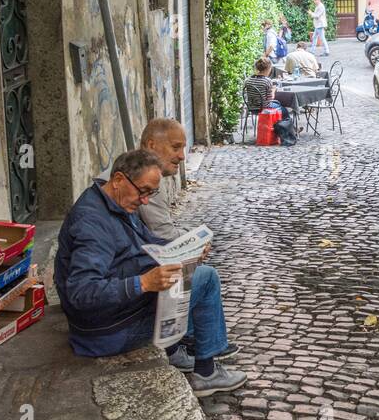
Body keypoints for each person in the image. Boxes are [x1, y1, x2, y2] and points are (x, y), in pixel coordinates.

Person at [54, 149, 246, 396]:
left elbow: (147, 243)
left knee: (191, 272)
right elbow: (81, 291)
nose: (145, 200)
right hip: (104, 333)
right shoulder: (93, 223)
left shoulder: (112, 201)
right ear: (119, 179)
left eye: (150, 194)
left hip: (113, 316)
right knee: (206, 279)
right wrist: (143, 283)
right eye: (142, 191)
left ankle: (181, 347)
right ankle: (206, 372)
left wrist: (187, 250)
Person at [96, 118, 189, 242]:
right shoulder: (147, 178)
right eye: (175, 148)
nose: (182, 156)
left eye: (183, 148)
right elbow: (164, 235)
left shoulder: (134, 168)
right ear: (151, 146)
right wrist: (196, 238)